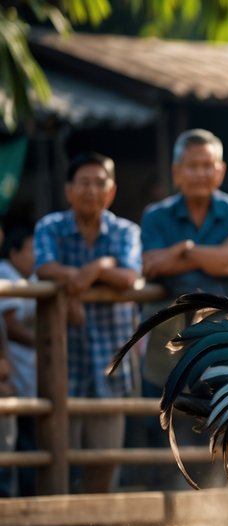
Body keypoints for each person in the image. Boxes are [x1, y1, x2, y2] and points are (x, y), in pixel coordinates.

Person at [33, 152, 142, 494]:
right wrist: (77, 283)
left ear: (111, 192)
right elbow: (45, 267)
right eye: (84, 182)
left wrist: (94, 269)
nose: (91, 190)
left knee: (105, 458)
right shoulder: (51, 226)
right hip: (63, 362)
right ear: (69, 190)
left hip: (111, 361)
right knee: (57, 453)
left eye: (99, 183)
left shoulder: (125, 230)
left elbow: (127, 276)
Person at [140, 129, 228, 392]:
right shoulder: (156, 215)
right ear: (177, 171)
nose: (201, 173)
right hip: (168, 333)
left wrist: (182, 251)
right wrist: (214, 255)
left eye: (208, 165)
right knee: (166, 414)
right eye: (193, 166)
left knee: (222, 416)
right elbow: (151, 266)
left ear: (221, 170)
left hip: (224, 333)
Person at [0, 227, 36, 495]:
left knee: (16, 447)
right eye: (30, 249)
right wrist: (46, 345)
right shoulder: (5, 274)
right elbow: (9, 325)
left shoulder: (25, 277)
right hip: (14, 371)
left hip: (16, 374)